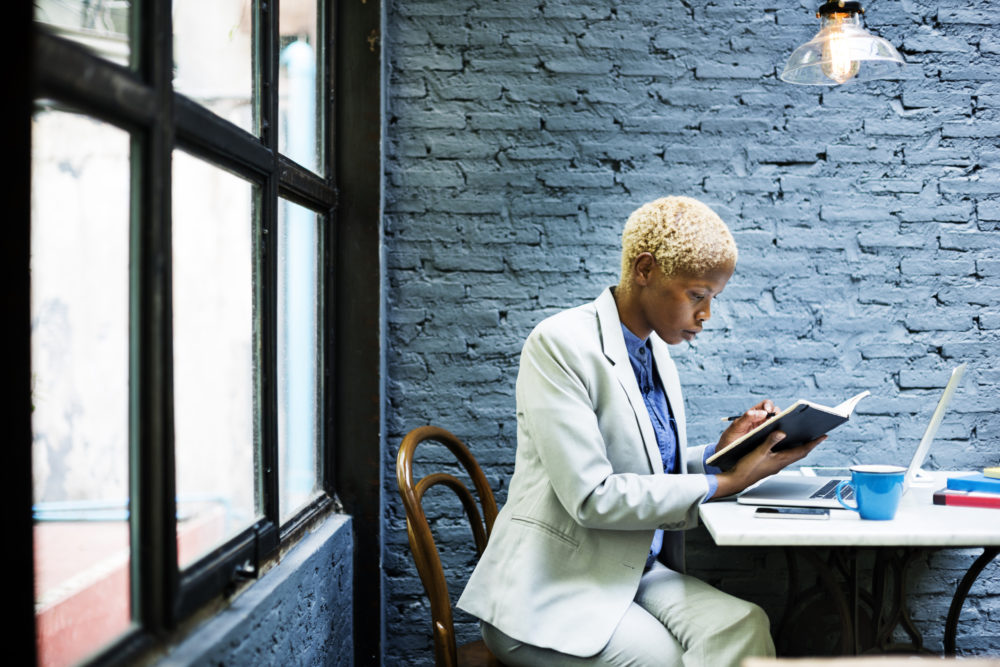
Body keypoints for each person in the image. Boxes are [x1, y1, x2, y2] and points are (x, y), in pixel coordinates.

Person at [456, 196, 826, 666]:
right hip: (553, 589)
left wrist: (722, 453)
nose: (707, 314)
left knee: (743, 625)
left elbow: (645, 466)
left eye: (713, 298)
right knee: (672, 660)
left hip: (633, 570)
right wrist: (726, 483)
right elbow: (593, 496)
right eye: (697, 295)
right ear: (645, 269)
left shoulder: (655, 353)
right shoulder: (560, 344)